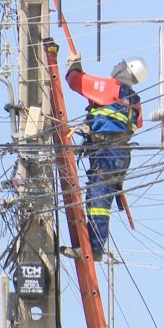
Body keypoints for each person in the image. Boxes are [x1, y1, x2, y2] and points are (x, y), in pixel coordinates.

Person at [60, 52, 148, 262]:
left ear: (126, 70)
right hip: (120, 154)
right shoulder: (134, 100)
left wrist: (74, 64)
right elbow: (136, 124)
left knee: (98, 198)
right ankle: (92, 246)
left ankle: (94, 249)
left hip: (107, 152)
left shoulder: (110, 87)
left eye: (121, 62)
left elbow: (76, 81)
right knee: (99, 197)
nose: (116, 64)